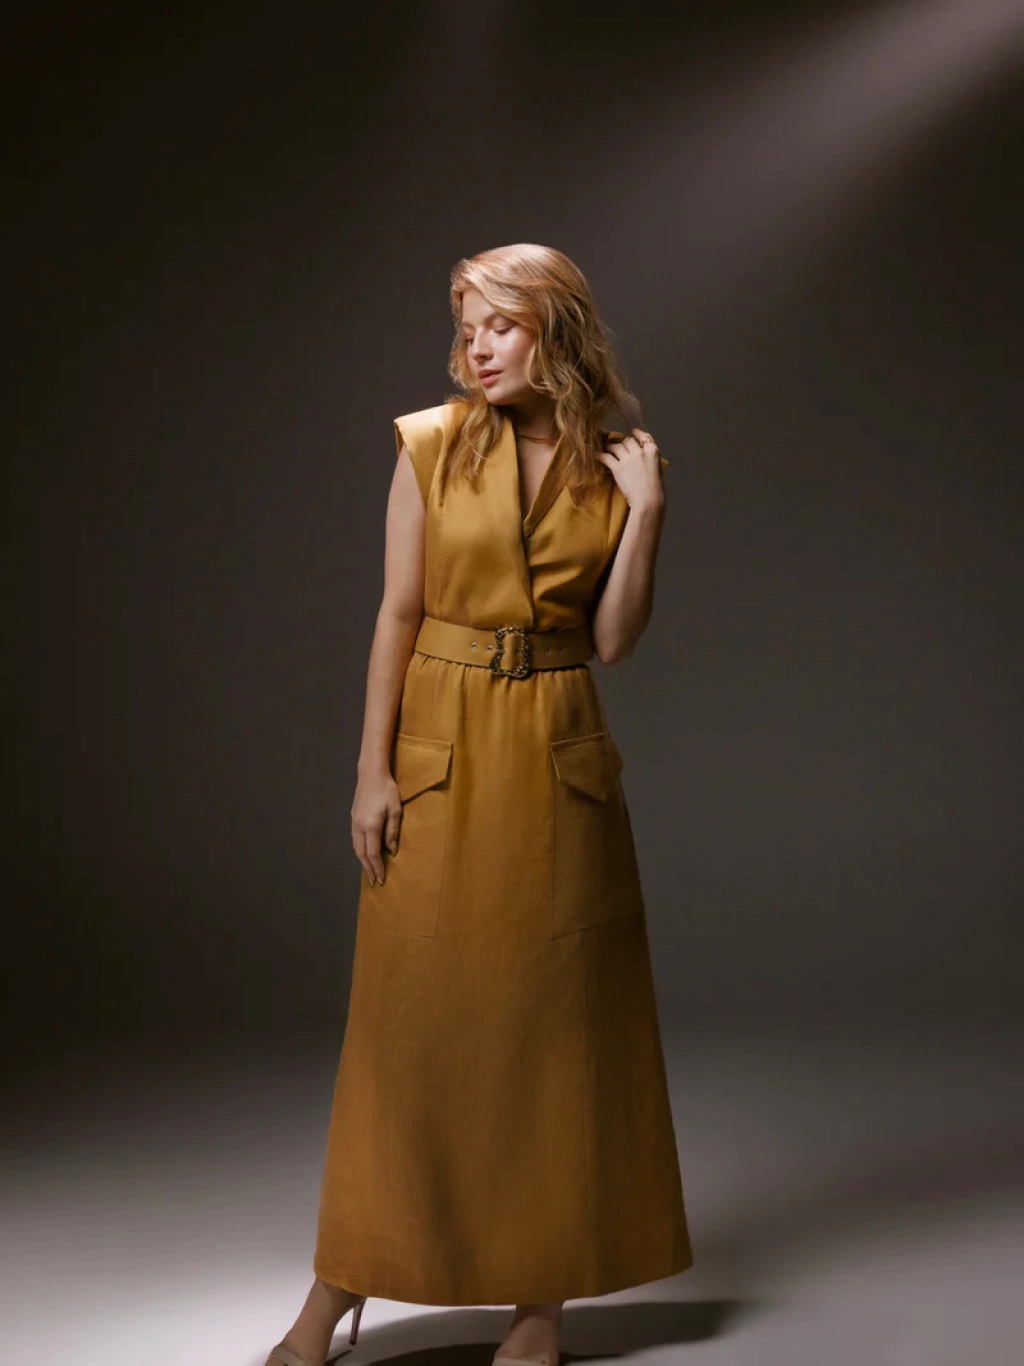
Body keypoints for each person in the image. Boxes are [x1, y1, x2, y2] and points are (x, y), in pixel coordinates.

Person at [265, 243, 692, 1366]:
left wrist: (646, 512)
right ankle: (339, 1286)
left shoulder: (614, 464)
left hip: (558, 755)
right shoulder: (431, 443)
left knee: (555, 1038)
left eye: (500, 323)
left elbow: (613, 641)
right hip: (440, 750)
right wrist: (371, 770)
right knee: (407, 1033)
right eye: (467, 326)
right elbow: (397, 614)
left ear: (556, 327)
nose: (477, 346)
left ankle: (538, 1305)